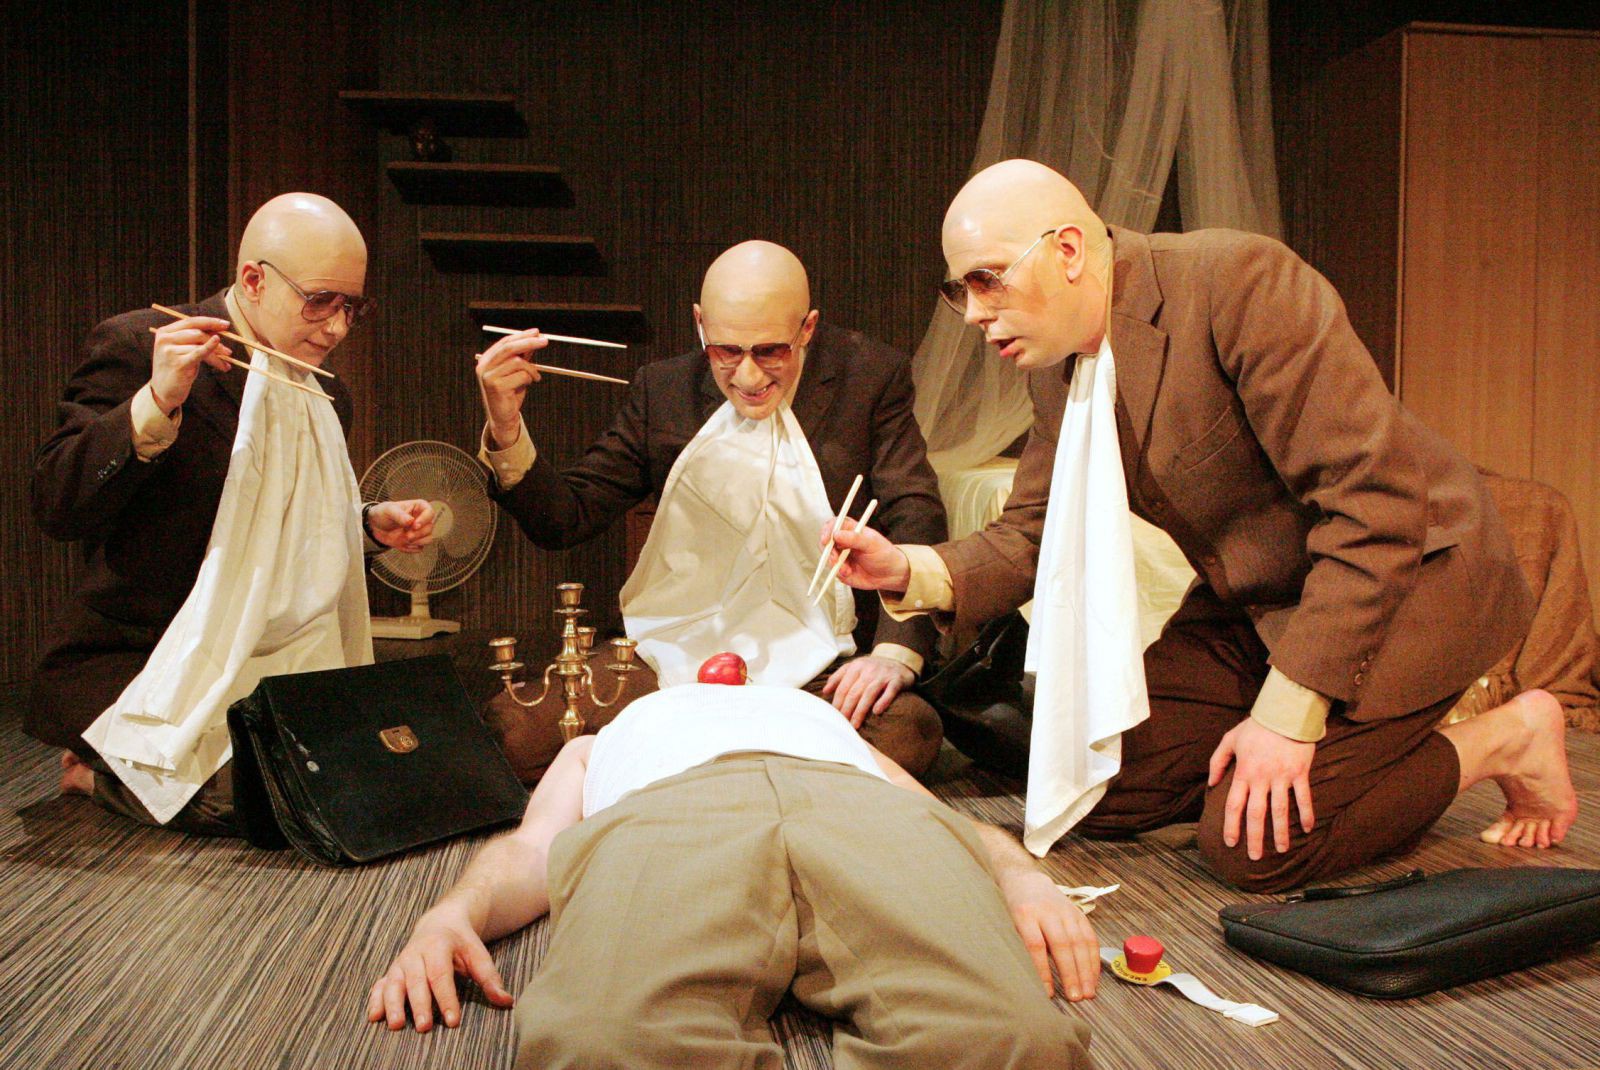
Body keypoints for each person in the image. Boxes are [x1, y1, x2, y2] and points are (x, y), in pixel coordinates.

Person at [826, 159, 1578, 891]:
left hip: (1409, 584)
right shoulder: (1058, 366)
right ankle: (1307, 757)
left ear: (1068, 250)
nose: (974, 313)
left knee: (1253, 848)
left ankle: (1503, 740)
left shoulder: (1241, 284)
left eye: (988, 279)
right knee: (1098, 789)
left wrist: (1287, 718)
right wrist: (908, 569)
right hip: (1259, 603)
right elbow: (1031, 530)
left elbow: (1374, 509)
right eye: (961, 289)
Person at [367, 684, 1097, 1069]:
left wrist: (1022, 876)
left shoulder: (819, 718)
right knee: (601, 1045)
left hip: (854, 804)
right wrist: (449, 915)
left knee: (1016, 1044)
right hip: (670, 810)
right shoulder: (603, 737)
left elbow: (943, 819)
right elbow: (532, 850)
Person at [31, 192, 433, 832]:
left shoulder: (327, 394)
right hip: (148, 657)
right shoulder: (144, 343)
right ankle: (97, 772)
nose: (336, 328)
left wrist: (362, 525)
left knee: (369, 776)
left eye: (351, 307)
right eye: (319, 301)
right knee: (267, 799)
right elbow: (56, 503)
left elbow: (281, 535)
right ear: (253, 280)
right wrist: (156, 401)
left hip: (273, 656)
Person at [476, 241, 949, 776]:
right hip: (674, 652)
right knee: (514, 732)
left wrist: (892, 654)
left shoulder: (869, 377)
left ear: (808, 328)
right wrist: (505, 427)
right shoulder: (664, 389)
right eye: (726, 351)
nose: (748, 377)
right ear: (700, 324)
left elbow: (915, 511)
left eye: (770, 351)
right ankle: (758, 764)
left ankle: (679, 760)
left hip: (819, 659)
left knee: (909, 733)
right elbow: (567, 518)